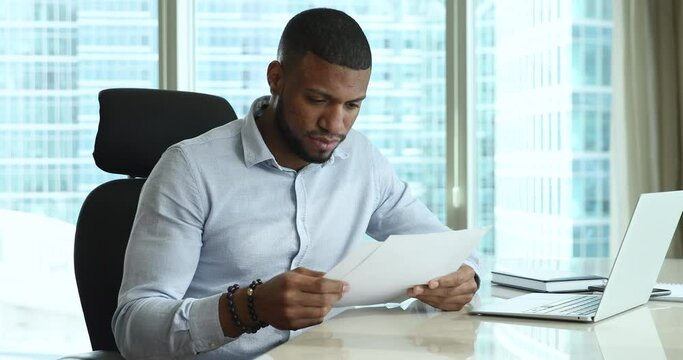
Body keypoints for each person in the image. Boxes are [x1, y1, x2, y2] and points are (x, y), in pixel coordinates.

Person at [113, 7, 480, 359]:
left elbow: (451, 249)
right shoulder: (189, 170)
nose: (336, 125)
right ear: (276, 78)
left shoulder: (362, 159)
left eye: (352, 105)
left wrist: (465, 278)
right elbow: (134, 329)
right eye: (318, 100)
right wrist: (248, 307)